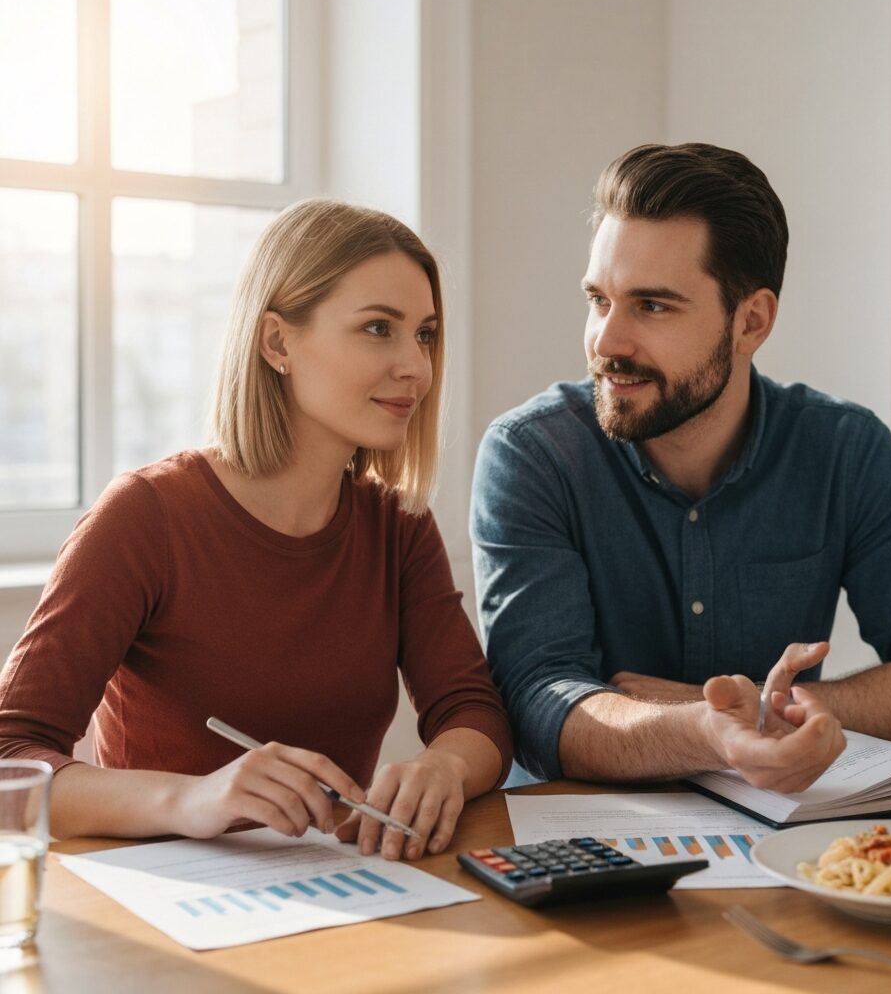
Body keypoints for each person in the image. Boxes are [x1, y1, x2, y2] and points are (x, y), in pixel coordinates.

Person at [470, 142, 891, 792]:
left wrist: (759, 710)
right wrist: (709, 730)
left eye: (653, 306)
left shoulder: (844, 451)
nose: (607, 342)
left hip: (786, 847)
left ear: (751, 322)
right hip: (585, 860)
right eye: (599, 300)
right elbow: (537, 701)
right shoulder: (534, 455)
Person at [0, 199, 512, 860]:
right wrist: (193, 799)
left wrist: (442, 768)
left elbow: (475, 714)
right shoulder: (145, 517)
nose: (416, 366)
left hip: (339, 893)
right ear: (277, 342)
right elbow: (10, 761)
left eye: (425, 334)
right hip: (168, 908)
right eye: (379, 328)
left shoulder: (396, 528)